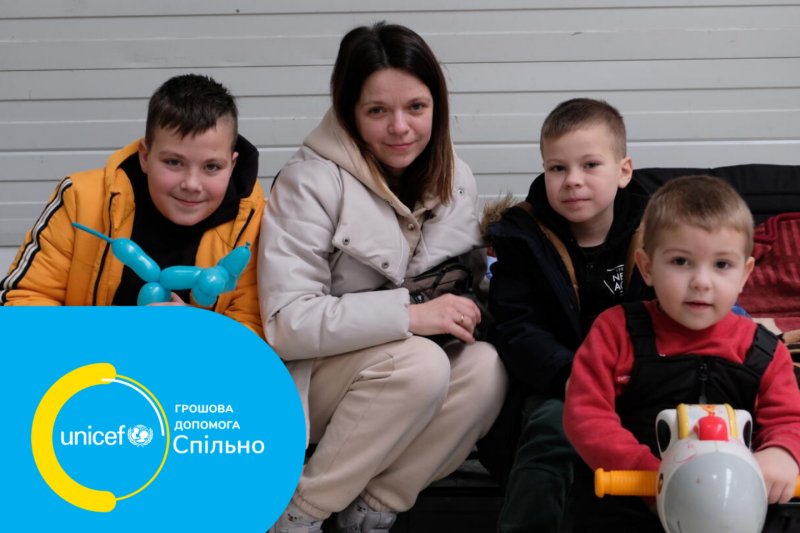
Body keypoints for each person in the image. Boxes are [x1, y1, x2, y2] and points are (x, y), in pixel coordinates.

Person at [259, 22, 508, 533]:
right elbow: (286, 323)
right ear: (349, 111)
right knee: (419, 364)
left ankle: (372, 512)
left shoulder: (457, 177)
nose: (400, 127)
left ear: (437, 105)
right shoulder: (308, 182)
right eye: (377, 111)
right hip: (315, 383)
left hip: (404, 378)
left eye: (416, 107)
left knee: (487, 369)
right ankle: (300, 513)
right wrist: (411, 315)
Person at [563, 175, 800, 532]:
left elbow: (790, 420)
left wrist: (781, 453)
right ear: (647, 267)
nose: (701, 281)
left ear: (744, 274)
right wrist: (645, 472)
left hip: (737, 506)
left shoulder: (765, 352)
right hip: (632, 498)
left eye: (722, 265)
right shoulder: (615, 332)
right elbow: (586, 414)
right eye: (680, 261)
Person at [485, 97, 651, 532]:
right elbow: (517, 327)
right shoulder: (523, 238)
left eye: (590, 165)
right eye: (557, 168)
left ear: (624, 171)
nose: (572, 180)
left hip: (644, 377)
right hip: (560, 382)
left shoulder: (656, 232)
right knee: (554, 432)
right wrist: (574, 377)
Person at [0, 74, 264, 336]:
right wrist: (113, 335)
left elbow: (255, 329)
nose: (192, 184)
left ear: (232, 165)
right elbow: (22, 302)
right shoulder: (80, 199)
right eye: (174, 162)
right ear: (145, 156)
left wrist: (197, 331)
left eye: (212, 167)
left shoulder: (254, 222)